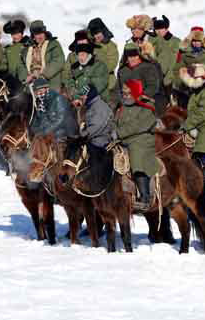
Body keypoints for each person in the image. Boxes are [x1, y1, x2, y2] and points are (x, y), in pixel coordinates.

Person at [117, 79, 158, 210]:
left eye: (128, 93)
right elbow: (116, 121)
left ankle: (145, 197)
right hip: (124, 138)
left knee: (137, 157)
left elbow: (138, 126)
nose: (125, 96)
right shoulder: (123, 106)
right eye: (123, 93)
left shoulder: (147, 107)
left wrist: (118, 133)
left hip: (141, 138)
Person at [179, 64, 205, 168]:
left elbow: (203, 114)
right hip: (198, 126)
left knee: (201, 154)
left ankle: (204, 173)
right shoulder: (197, 93)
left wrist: (186, 125)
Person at [118, 42, 162, 113]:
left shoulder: (149, 67)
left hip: (145, 103)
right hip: (126, 103)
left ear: (139, 55)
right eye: (129, 56)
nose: (132, 59)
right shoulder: (123, 70)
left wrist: (142, 96)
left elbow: (153, 86)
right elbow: (119, 88)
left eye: (135, 56)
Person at [23, 20, 65, 91]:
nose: (40, 36)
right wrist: (25, 77)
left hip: (50, 82)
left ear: (44, 33)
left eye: (41, 33)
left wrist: (43, 75)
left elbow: (58, 61)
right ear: (33, 36)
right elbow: (21, 64)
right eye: (37, 34)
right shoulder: (26, 49)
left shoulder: (54, 44)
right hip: (31, 83)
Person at [87, 17, 119, 106]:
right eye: (94, 33)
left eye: (98, 32)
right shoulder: (89, 46)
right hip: (92, 84)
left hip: (109, 84)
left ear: (103, 31)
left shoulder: (111, 46)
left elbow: (112, 63)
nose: (97, 35)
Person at [170, 26, 205, 94]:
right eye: (194, 41)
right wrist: (181, 84)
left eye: (198, 41)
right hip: (186, 88)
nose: (196, 43)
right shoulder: (184, 55)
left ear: (202, 42)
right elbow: (177, 70)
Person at [68, 39, 110, 105]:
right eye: (78, 55)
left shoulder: (99, 65)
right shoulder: (75, 67)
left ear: (89, 55)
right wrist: (75, 95)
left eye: (83, 55)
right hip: (80, 100)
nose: (80, 57)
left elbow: (99, 83)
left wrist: (83, 94)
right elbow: (71, 82)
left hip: (98, 99)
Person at [149, 15, 179, 98]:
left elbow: (176, 60)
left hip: (172, 78)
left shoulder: (176, 42)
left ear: (166, 29)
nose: (158, 31)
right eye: (156, 29)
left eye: (161, 29)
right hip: (156, 77)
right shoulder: (151, 42)